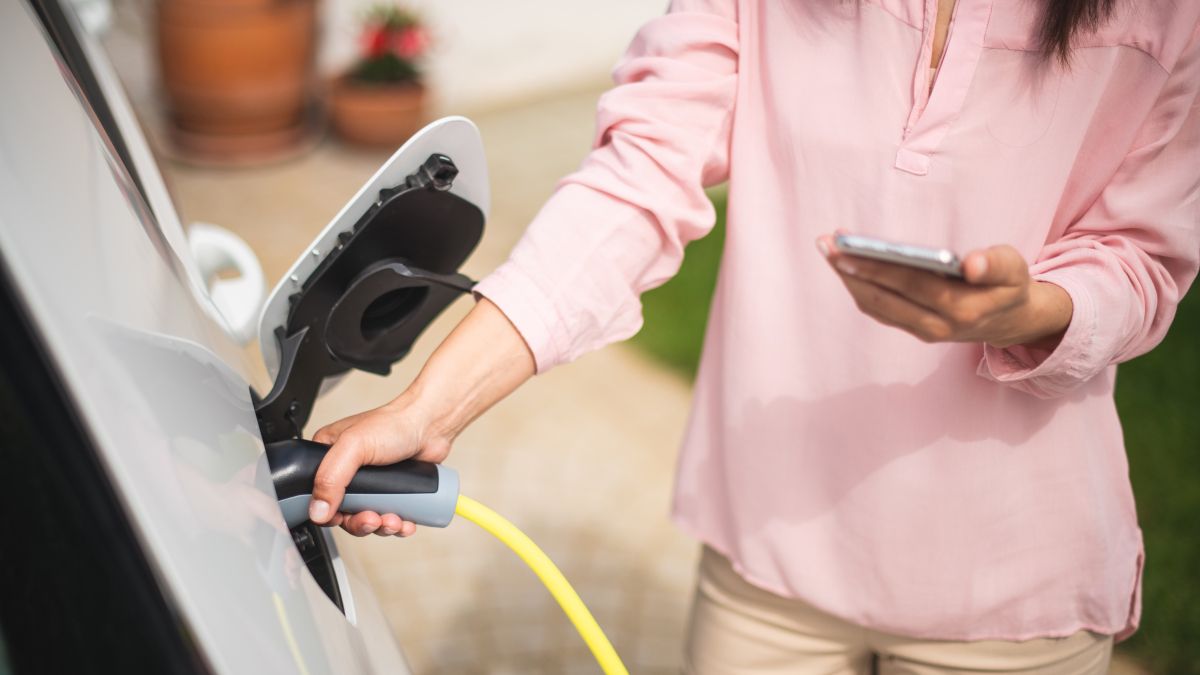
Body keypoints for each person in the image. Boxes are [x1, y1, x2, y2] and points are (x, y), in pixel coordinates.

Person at [306, 0, 1200, 672]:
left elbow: (1142, 258)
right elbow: (637, 181)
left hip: (1016, 585)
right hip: (769, 551)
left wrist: (1037, 310)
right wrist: (430, 405)